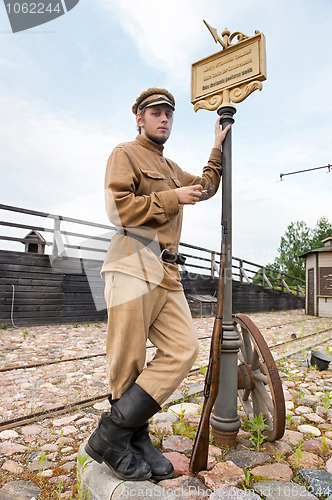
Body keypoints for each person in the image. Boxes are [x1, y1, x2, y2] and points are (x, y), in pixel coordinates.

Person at [85, 88, 231, 481]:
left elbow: (205, 186)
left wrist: (217, 146)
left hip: (168, 271)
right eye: (155, 112)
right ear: (139, 117)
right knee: (127, 360)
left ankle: (112, 433)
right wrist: (171, 198)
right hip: (133, 260)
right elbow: (119, 210)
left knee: (184, 349)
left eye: (169, 113)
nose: (164, 118)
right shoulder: (125, 153)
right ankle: (133, 438)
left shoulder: (170, 167)